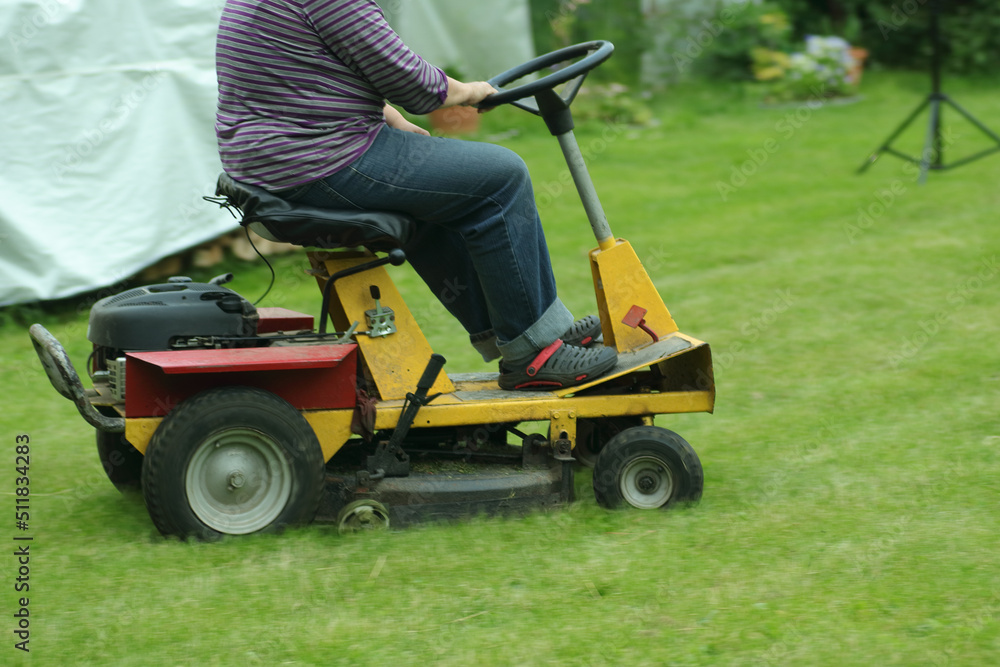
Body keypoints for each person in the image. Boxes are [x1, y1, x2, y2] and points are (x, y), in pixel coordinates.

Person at [215, 0, 617, 390]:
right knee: (501, 179)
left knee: (450, 193)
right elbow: (412, 81)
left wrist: (393, 119)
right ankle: (534, 355)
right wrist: (470, 90)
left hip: (280, 160)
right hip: (317, 160)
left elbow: (319, 67)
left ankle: (527, 330)